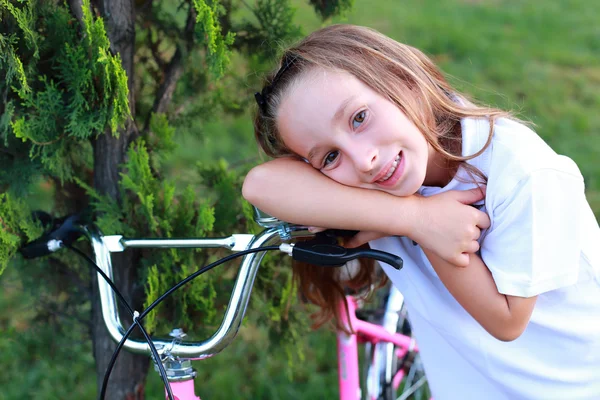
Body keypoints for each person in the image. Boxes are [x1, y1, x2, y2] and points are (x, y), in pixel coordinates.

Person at [242, 24, 600, 399]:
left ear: (401, 79)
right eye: (330, 156)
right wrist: (415, 217)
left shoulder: (522, 172)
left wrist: (422, 226)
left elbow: (508, 320)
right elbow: (260, 185)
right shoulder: (381, 188)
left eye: (359, 118)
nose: (364, 160)